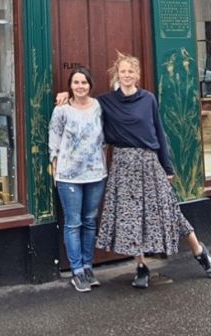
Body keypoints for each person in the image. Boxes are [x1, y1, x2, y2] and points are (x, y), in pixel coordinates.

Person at [63, 52, 211, 289]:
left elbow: (159, 132)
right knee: (130, 218)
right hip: (123, 165)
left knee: (170, 210)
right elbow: (83, 100)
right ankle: (141, 266)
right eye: (123, 71)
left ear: (137, 75)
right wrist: (66, 96)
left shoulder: (148, 99)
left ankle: (200, 252)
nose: (127, 75)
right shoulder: (106, 101)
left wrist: (168, 166)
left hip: (149, 162)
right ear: (117, 74)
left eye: (131, 71)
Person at [49, 67, 106, 292]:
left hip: (95, 173)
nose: (80, 86)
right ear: (70, 86)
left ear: (90, 84)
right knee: (73, 223)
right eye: (75, 83)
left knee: (90, 221)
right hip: (69, 175)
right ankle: (77, 271)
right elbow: (53, 138)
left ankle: (88, 265)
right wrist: (54, 166)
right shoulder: (62, 110)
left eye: (84, 82)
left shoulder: (99, 107)